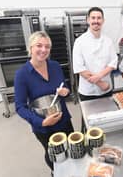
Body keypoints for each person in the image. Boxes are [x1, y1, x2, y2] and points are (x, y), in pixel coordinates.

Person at [14, 31, 74, 174]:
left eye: (47, 47)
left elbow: (64, 86)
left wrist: (66, 91)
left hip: (63, 119)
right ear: (31, 48)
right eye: (39, 46)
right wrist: (41, 122)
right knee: (54, 155)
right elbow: (20, 107)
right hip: (43, 125)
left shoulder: (54, 66)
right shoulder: (22, 74)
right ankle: (56, 173)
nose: (43, 50)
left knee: (71, 149)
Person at [72, 6, 118, 101]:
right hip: (88, 91)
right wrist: (100, 83)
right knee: (88, 115)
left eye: (99, 18)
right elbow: (79, 68)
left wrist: (99, 76)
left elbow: (113, 63)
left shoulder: (108, 41)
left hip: (106, 88)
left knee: (108, 114)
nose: (96, 21)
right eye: (93, 18)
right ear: (88, 20)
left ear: (103, 21)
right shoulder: (79, 42)